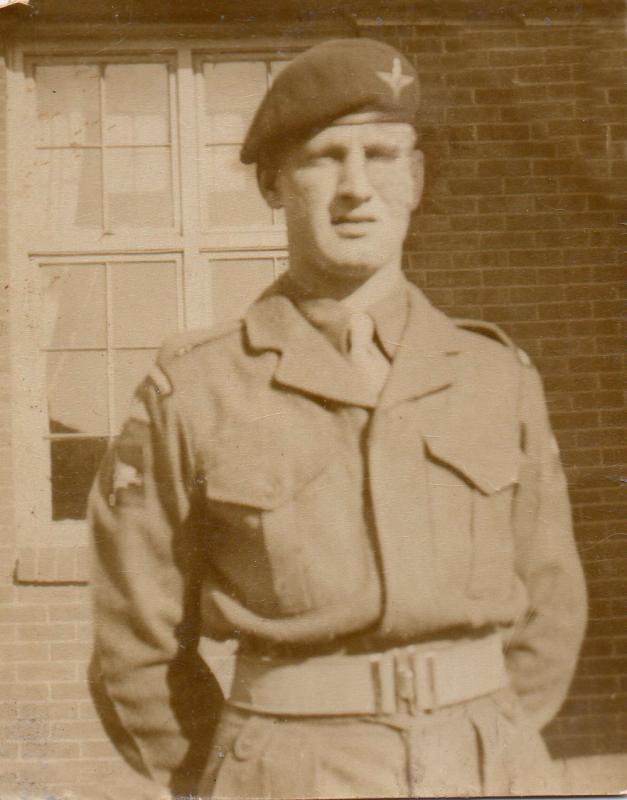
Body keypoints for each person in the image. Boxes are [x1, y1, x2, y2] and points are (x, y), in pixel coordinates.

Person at [88, 38, 587, 799]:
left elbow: (549, 606)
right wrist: (225, 780)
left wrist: (498, 738)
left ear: (415, 178)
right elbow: (136, 648)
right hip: (291, 772)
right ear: (273, 184)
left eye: (382, 154)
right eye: (325, 157)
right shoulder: (195, 389)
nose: (357, 187)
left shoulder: (495, 376)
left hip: (488, 762)